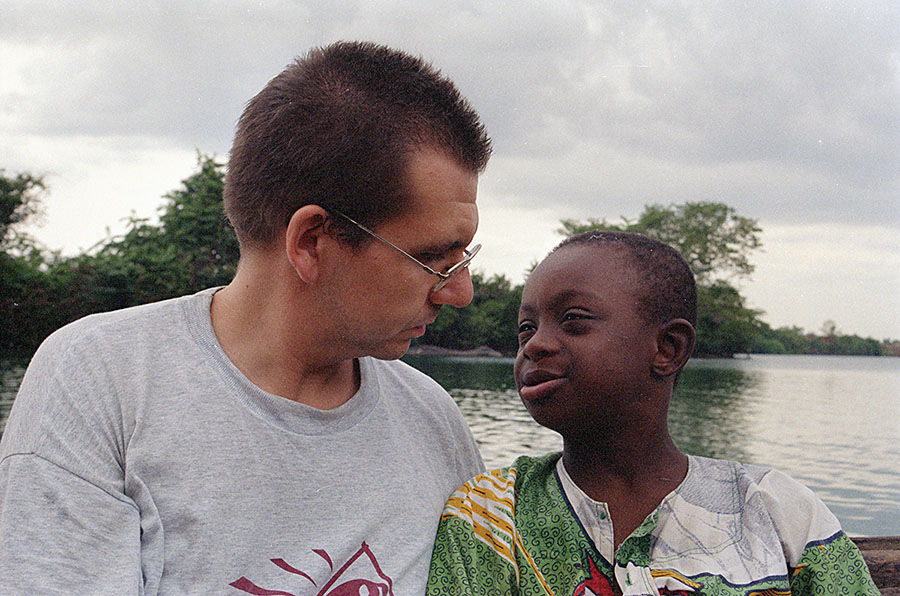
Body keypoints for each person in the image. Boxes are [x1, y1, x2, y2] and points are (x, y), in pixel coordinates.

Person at [0, 41, 491, 594]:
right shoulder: (101, 381)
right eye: (431, 258)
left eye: (464, 259)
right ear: (311, 241)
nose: (461, 292)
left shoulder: (433, 420)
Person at [427, 231, 878, 595]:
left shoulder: (777, 511)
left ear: (668, 348)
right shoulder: (490, 517)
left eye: (573, 320)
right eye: (527, 328)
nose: (535, 344)